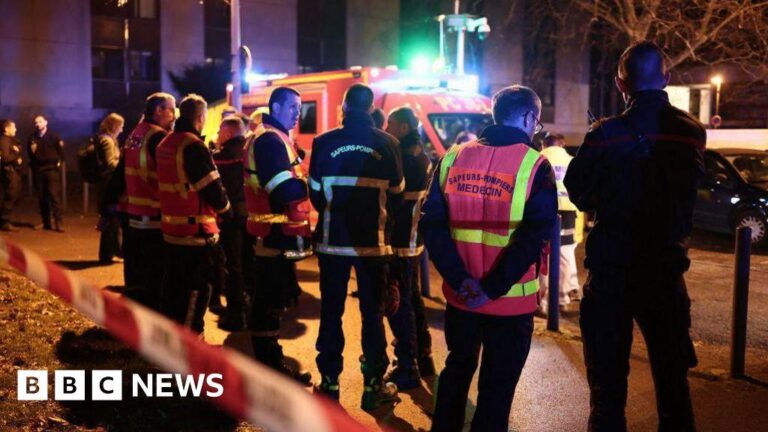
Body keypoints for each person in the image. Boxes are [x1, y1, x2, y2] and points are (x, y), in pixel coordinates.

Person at [564, 41, 703, 432]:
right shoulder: (692, 132)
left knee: (607, 391)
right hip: (665, 271)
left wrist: (607, 189)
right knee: (673, 386)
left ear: (621, 84)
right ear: (667, 78)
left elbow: (578, 191)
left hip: (613, 272)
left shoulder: (607, 133)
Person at [421, 85, 557, 431]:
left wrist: (460, 280)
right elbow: (533, 237)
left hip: (462, 298)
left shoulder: (451, 158)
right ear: (529, 117)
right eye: (537, 123)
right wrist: (492, 287)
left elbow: (432, 226)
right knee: (496, 391)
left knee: (456, 371)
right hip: (509, 304)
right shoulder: (534, 165)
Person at [309, 84, 404, 410]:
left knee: (331, 312)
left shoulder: (323, 143)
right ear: (371, 107)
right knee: (372, 315)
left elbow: (316, 196)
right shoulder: (389, 144)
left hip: (333, 244)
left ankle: (330, 383)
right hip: (373, 246)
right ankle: (374, 386)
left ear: (344, 108)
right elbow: (397, 193)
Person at [243, 86, 313, 384]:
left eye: (300, 107)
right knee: (268, 303)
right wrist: (313, 184)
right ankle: (270, 368)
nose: (298, 112)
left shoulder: (276, 137)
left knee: (272, 301)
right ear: (275, 107)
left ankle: (269, 363)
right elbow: (283, 189)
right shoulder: (270, 141)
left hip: (274, 235)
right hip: (271, 236)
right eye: (292, 106)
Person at [156, 94, 230, 334]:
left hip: (171, 232)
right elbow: (212, 189)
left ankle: (169, 346)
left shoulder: (165, 143)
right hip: (197, 234)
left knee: (173, 293)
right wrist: (226, 210)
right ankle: (188, 352)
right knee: (196, 294)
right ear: (200, 118)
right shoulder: (193, 146)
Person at [102, 93, 176, 307]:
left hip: (132, 211)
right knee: (153, 269)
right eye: (171, 110)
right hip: (153, 214)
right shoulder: (158, 137)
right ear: (159, 110)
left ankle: (133, 309)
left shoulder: (137, 133)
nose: (174, 115)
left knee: (134, 266)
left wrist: (107, 207)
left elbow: (120, 173)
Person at [382, 106, 435, 389]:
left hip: (400, 241)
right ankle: (423, 358)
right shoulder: (422, 153)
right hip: (414, 240)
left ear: (403, 127)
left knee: (398, 304)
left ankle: (406, 365)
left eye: (391, 124)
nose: (387, 129)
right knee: (413, 300)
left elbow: (393, 199)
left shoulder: (402, 156)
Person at [537, 132, 583, 314]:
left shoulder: (539, 158)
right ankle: (562, 298)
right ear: (562, 145)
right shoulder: (571, 160)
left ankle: (544, 303)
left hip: (544, 211)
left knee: (544, 256)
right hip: (568, 213)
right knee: (564, 255)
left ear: (545, 144)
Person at [212, 116, 250, 331]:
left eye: (219, 131)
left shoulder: (221, 157)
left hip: (231, 218)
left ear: (227, 133)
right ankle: (253, 309)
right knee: (250, 263)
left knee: (232, 266)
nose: (217, 135)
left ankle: (236, 316)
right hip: (254, 217)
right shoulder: (252, 152)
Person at [94, 113, 124, 263]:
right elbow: (110, 164)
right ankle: (107, 255)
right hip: (109, 184)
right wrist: (123, 162)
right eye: (121, 126)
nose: (122, 130)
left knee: (113, 219)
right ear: (114, 126)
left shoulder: (106, 139)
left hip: (107, 184)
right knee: (111, 219)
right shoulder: (107, 141)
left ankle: (114, 252)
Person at [27, 115, 65, 232]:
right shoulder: (32, 138)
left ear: (46, 122)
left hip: (51, 170)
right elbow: (30, 154)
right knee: (42, 197)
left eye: (40, 121)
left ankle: (58, 222)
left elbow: (61, 153)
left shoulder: (54, 136)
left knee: (54, 195)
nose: (38, 124)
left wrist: (57, 165)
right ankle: (46, 222)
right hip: (39, 171)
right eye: (36, 122)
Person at [0, 119, 23, 231]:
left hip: (13, 172)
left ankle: (5, 220)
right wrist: (16, 153)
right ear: (6, 129)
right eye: (13, 127)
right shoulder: (4, 141)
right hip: (9, 173)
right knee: (9, 196)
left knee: (12, 196)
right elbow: (5, 158)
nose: (15, 129)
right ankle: (4, 221)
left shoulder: (11, 140)